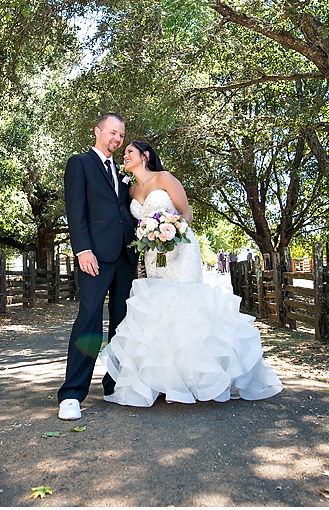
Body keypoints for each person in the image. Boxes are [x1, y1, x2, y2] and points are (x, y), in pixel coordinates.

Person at [98, 141, 283, 407]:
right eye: (124, 152)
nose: (124, 155)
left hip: (179, 249)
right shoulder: (131, 190)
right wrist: (151, 238)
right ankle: (165, 382)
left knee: (186, 310)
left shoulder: (164, 178)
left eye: (129, 151)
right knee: (159, 312)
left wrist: (166, 232)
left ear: (145, 156)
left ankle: (194, 381)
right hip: (153, 254)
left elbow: (186, 213)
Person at [58, 113, 138, 420]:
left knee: (122, 321)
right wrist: (83, 250)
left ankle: (113, 384)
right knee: (89, 317)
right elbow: (75, 210)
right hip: (94, 256)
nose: (117, 139)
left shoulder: (121, 172)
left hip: (125, 257)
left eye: (121, 136)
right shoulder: (80, 164)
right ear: (98, 131)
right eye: (113, 133)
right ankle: (72, 394)